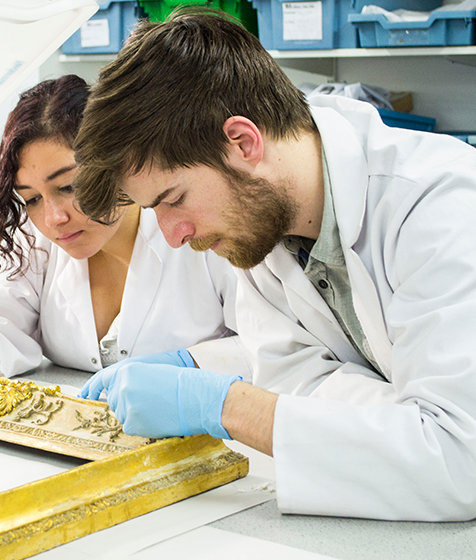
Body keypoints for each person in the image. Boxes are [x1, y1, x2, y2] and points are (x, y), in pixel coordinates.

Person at [72, 8, 476, 522]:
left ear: (243, 142)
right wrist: (401, 421)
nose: (173, 236)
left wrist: (227, 406)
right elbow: (296, 388)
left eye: (172, 198)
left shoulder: (441, 206)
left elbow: (458, 463)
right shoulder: (263, 234)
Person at [0, 74, 243, 413]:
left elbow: (275, 345)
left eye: (69, 187)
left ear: (115, 162)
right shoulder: (35, 239)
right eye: (32, 198)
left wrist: (189, 365)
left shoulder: (196, 230)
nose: (53, 218)